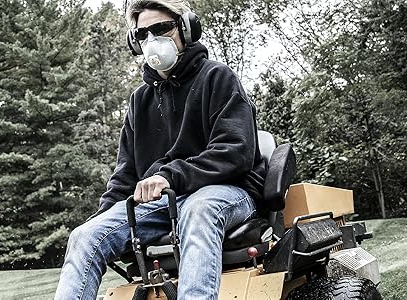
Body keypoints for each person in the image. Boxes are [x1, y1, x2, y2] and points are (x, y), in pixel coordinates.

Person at [53, 0, 267, 299]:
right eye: (142, 34)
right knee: (85, 236)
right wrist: (103, 220)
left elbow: (236, 152)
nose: (152, 40)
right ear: (135, 42)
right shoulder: (139, 102)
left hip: (228, 191)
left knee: (199, 208)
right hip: (166, 202)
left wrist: (169, 176)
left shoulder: (218, 77)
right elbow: (125, 177)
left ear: (186, 29)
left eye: (161, 28)